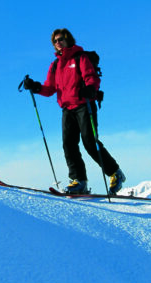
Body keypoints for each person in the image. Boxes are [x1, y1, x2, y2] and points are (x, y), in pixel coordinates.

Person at [22, 28, 126, 195]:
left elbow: (91, 77)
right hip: (67, 108)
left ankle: (115, 173)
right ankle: (79, 181)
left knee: (90, 142)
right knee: (68, 145)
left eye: (61, 39)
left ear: (68, 39)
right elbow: (49, 88)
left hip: (85, 104)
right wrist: (35, 87)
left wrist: (91, 88)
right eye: (55, 41)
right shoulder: (55, 65)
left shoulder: (80, 57)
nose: (58, 43)